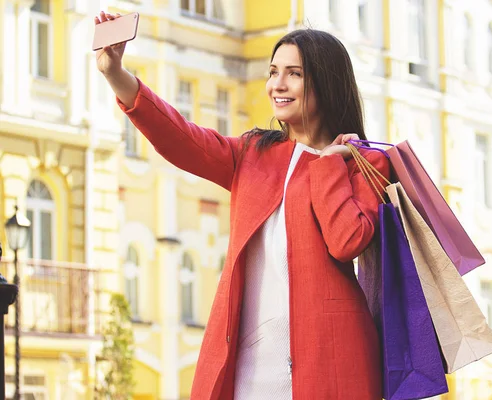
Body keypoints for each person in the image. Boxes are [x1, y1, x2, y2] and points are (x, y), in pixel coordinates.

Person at [95, 10, 389, 400]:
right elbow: (181, 137)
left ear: (327, 82)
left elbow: (346, 241)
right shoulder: (252, 153)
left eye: (294, 74)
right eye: (273, 72)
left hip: (331, 361)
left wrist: (330, 163)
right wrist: (116, 72)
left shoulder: (364, 164)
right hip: (249, 362)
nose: (277, 85)